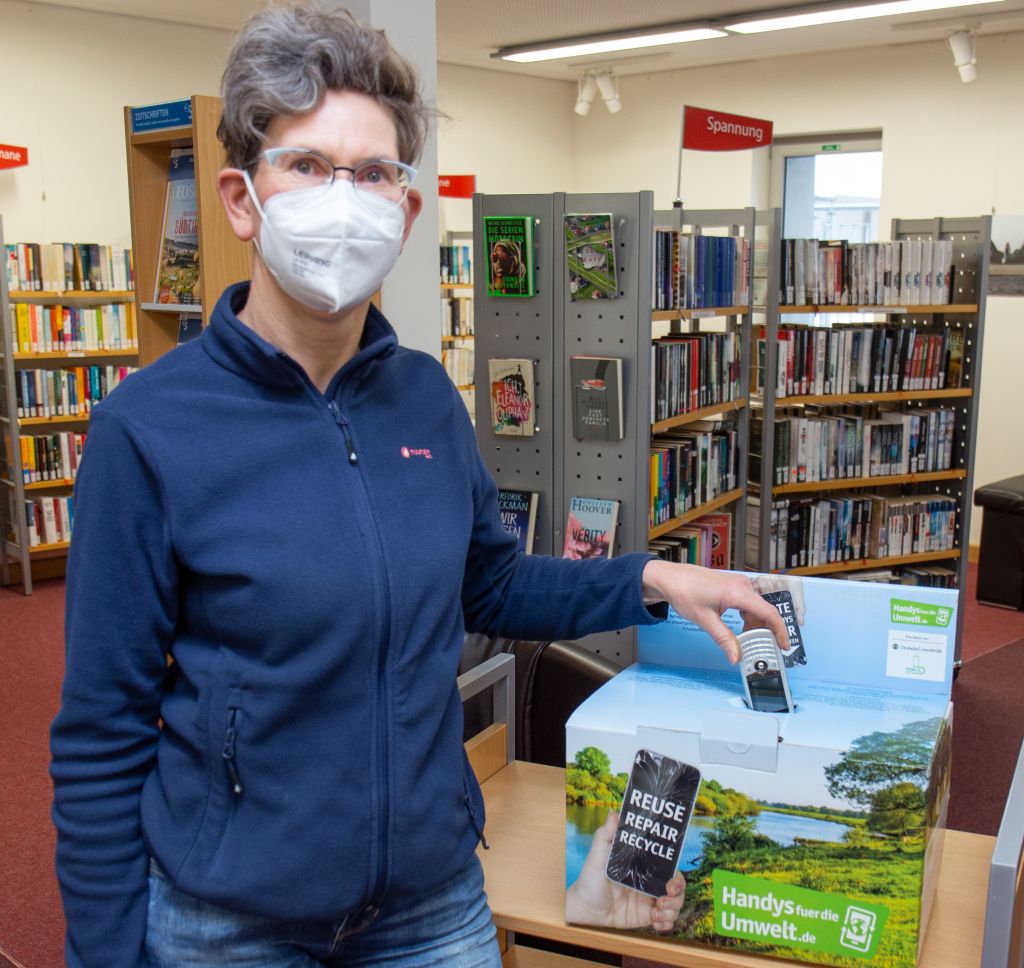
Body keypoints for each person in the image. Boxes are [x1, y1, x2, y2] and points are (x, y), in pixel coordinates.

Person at [49, 3, 789, 966]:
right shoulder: (147, 429)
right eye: (307, 165)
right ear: (241, 198)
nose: (342, 195)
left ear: (403, 212)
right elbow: (100, 733)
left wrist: (651, 581)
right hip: (229, 920)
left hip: (428, 905)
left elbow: (490, 584)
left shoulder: (427, 399)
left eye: (372, 173)